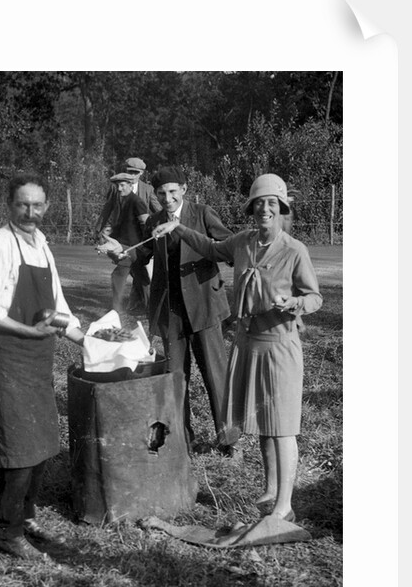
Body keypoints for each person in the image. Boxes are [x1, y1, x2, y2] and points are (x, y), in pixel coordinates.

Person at [152, 174, 322, 521]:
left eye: (272, 203)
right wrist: (178, 229)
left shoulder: (294, 251)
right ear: (251, 208)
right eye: (259, 203)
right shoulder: (242, 243)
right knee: (261, 422)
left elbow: (315, 296)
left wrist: (295, 303)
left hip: (280, 346)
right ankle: (272, 490)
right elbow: (211, 248)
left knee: (283, 426)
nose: (265, 209)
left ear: (282, 208)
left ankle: (285, 506)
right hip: (248, 344)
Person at [0, 174, 86, 559]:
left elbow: (59, 308)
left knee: (40, 446)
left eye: (37, 205)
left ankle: (28, 516)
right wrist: (30, 330)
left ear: (47, 207)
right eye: (23, 204)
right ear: (10, 205)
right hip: (6, 357)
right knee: (17, 449)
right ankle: (8, 531)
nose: (30, 212)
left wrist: (93, 341)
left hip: (37, 360)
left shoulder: (42, 246)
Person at [136, 165, 239, 455]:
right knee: (175, 376)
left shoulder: (202, 213)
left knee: (215, 374)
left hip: (205, 306)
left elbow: (228, 247)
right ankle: (182, 438)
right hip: (171, 310)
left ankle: (228, 440)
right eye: (160, 193)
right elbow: (140, 254)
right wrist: (118, 250)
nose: (167, 198)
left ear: (184, 189)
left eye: (172, 191)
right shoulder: (154, 221)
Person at [96, 156, 161, 312]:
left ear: (141, 173)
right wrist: (99, 230)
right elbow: (108, 209)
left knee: (123, 274)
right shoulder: (119, 191)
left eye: (135, 172)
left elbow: (155, 214)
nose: (132, 175)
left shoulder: (144, 193)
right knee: (140, 275)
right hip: (122, 239)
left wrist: (166, 226)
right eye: (129, 171)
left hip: (136, 243)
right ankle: (148, 306)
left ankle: (120, 309)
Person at [96, 172, 147, 315]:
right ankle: (151, 307)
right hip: (124, 246)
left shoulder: (137, 202)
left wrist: (144, 248)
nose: (119, 189)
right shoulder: (122, 202)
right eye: (117, 185)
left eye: (122, 185)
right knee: (142, 279)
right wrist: (108, 240)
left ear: (131, 185)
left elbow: (146, 225)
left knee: (118, 276)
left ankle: (116, 310)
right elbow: (120, 226)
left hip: (133, 248)